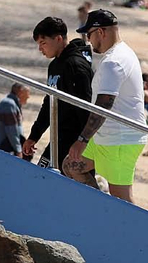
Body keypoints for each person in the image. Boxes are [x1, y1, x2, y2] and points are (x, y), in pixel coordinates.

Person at [65, 10, 146, 203]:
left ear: (101, 32)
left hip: (120, 139)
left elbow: (104, 104)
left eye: (89, 35)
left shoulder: (114, 62)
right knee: (71, 165)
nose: (88, 41)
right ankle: (99, 208)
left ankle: (134, 232)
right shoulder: (122, 52)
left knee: (122, 201)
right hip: (108, 136)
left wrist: (82, 139)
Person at [24, 17, 96, 184]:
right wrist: (34, 136)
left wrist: (83, 142)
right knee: (41, 179)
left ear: (58, 39)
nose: (40, 49)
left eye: (43, 43)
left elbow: (85, 108)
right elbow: (49, 103)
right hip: (59, 138)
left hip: (76, 143)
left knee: (46, 182)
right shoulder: (55, 65)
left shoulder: (76, 65)